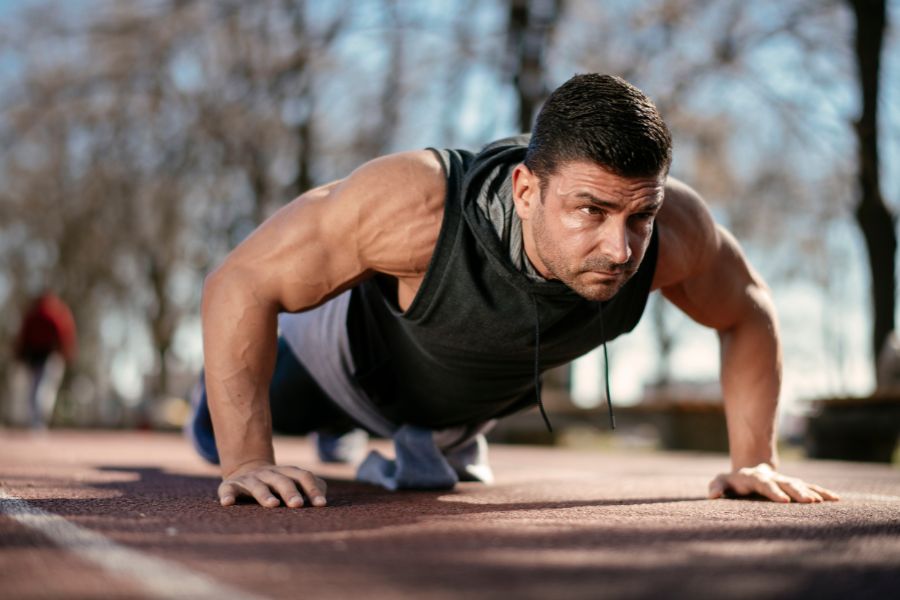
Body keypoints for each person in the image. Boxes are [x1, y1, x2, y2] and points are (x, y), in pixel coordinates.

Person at [190, 73, 839, 508]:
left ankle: (394, 438)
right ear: (527, 191)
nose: (621, 249)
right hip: (334, 367)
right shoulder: (414, 206)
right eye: (590, 210)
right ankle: (303, 428)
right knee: (218, 441)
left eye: (638, 216)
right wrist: (247, 458)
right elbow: (238, 282)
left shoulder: (674, 233)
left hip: (451, 409)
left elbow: (749, 312)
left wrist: (757, 459)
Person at [13, 291, 77, 429]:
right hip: (39, 357)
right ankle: (37, 421)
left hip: (48, 356)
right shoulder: (50, 314)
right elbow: (24, 337)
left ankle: (38, 421)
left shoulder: (51, 314)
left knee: (39, 390)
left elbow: (64, 334)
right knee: (40, 390)